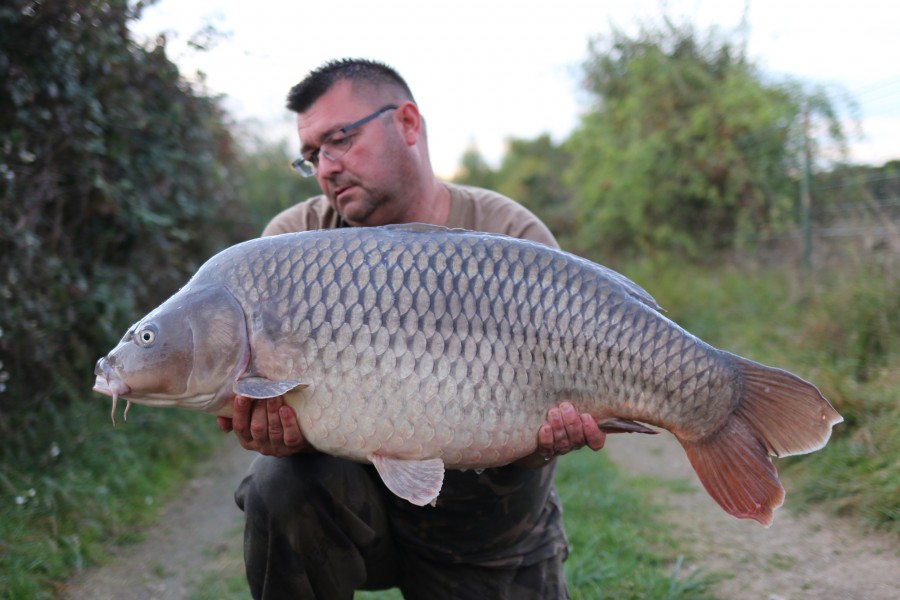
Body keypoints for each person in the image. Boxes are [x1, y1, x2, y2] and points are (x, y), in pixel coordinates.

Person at [217, 58, 606, 600]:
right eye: (312, 156)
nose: (327, 166)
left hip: (489, 530)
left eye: (340, 139)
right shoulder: (293, 243)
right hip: (355, 514)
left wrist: (548, 441)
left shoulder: (510, 234)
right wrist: (276, 435)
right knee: (277, 486)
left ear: (406, 124)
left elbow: (553, 412)